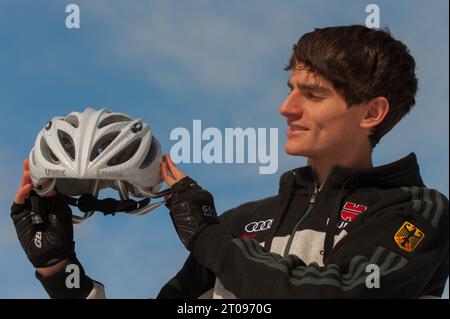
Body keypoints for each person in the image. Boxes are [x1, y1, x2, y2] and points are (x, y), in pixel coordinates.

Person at [11, 25, 448, 298]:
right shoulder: (240, 224)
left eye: (312, 95)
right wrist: (59, 271)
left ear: (371, 113)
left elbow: (337, 293)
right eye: (290, 88)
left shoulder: (414, 211)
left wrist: (209, 239)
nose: (286, 108)